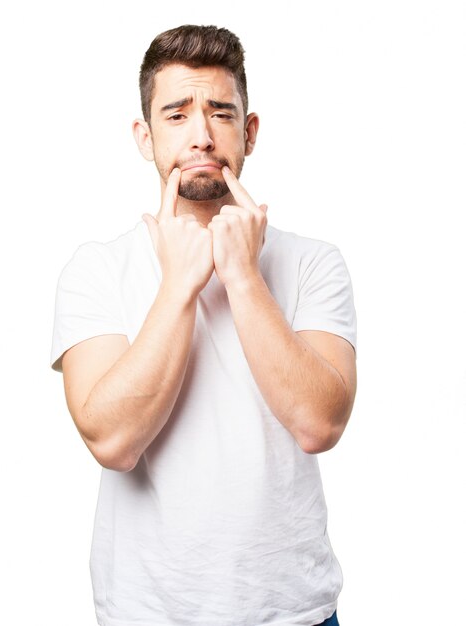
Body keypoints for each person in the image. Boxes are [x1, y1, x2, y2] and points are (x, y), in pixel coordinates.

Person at [51, 24, 356, 626]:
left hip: (293, 614)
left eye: (221, 113)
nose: (201, 135)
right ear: (145, 136)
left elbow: (320, 424)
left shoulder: (314, 262)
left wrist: (242, 275)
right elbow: (112, 442)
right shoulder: (97, 268)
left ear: (249, 132)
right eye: (176, 115)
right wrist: (180, 285)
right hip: (148, 614)